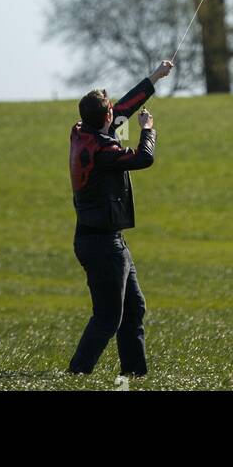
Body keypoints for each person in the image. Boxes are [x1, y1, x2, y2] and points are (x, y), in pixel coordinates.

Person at [68, 59, 173, 378]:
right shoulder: (105, 152)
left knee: (133, 309)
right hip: (102, 244)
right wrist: (148, 131)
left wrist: (154, 78)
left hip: (104, 240)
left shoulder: (81, 134)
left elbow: (122, 109)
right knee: (108, 317)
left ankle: (135, 373)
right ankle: (77, 372)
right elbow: (144, 158)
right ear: (107, 117)